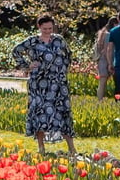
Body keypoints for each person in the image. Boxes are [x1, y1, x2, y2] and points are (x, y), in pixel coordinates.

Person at [12, 13, 76, 156]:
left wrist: (63, 70)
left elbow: (68, 55)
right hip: (39, 84)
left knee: (62, 112)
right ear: (39, 27)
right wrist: (27, 66)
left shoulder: (59, 40)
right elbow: (16, 51)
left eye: (50, 28)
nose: (48, 31)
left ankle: (72, 148)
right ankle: (41, 147)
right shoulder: (33, 41)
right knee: (40, 112)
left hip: (59, 84)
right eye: (45, 28)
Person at [94, 17, 118, 100]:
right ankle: (100, 100)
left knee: (102, 82)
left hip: (101, 60)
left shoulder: (102, 33)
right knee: (103, 82)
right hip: (106, 60)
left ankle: (100, 100)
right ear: (114, 24)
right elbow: (107, 49)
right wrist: (110, 63)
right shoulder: (109, 34)